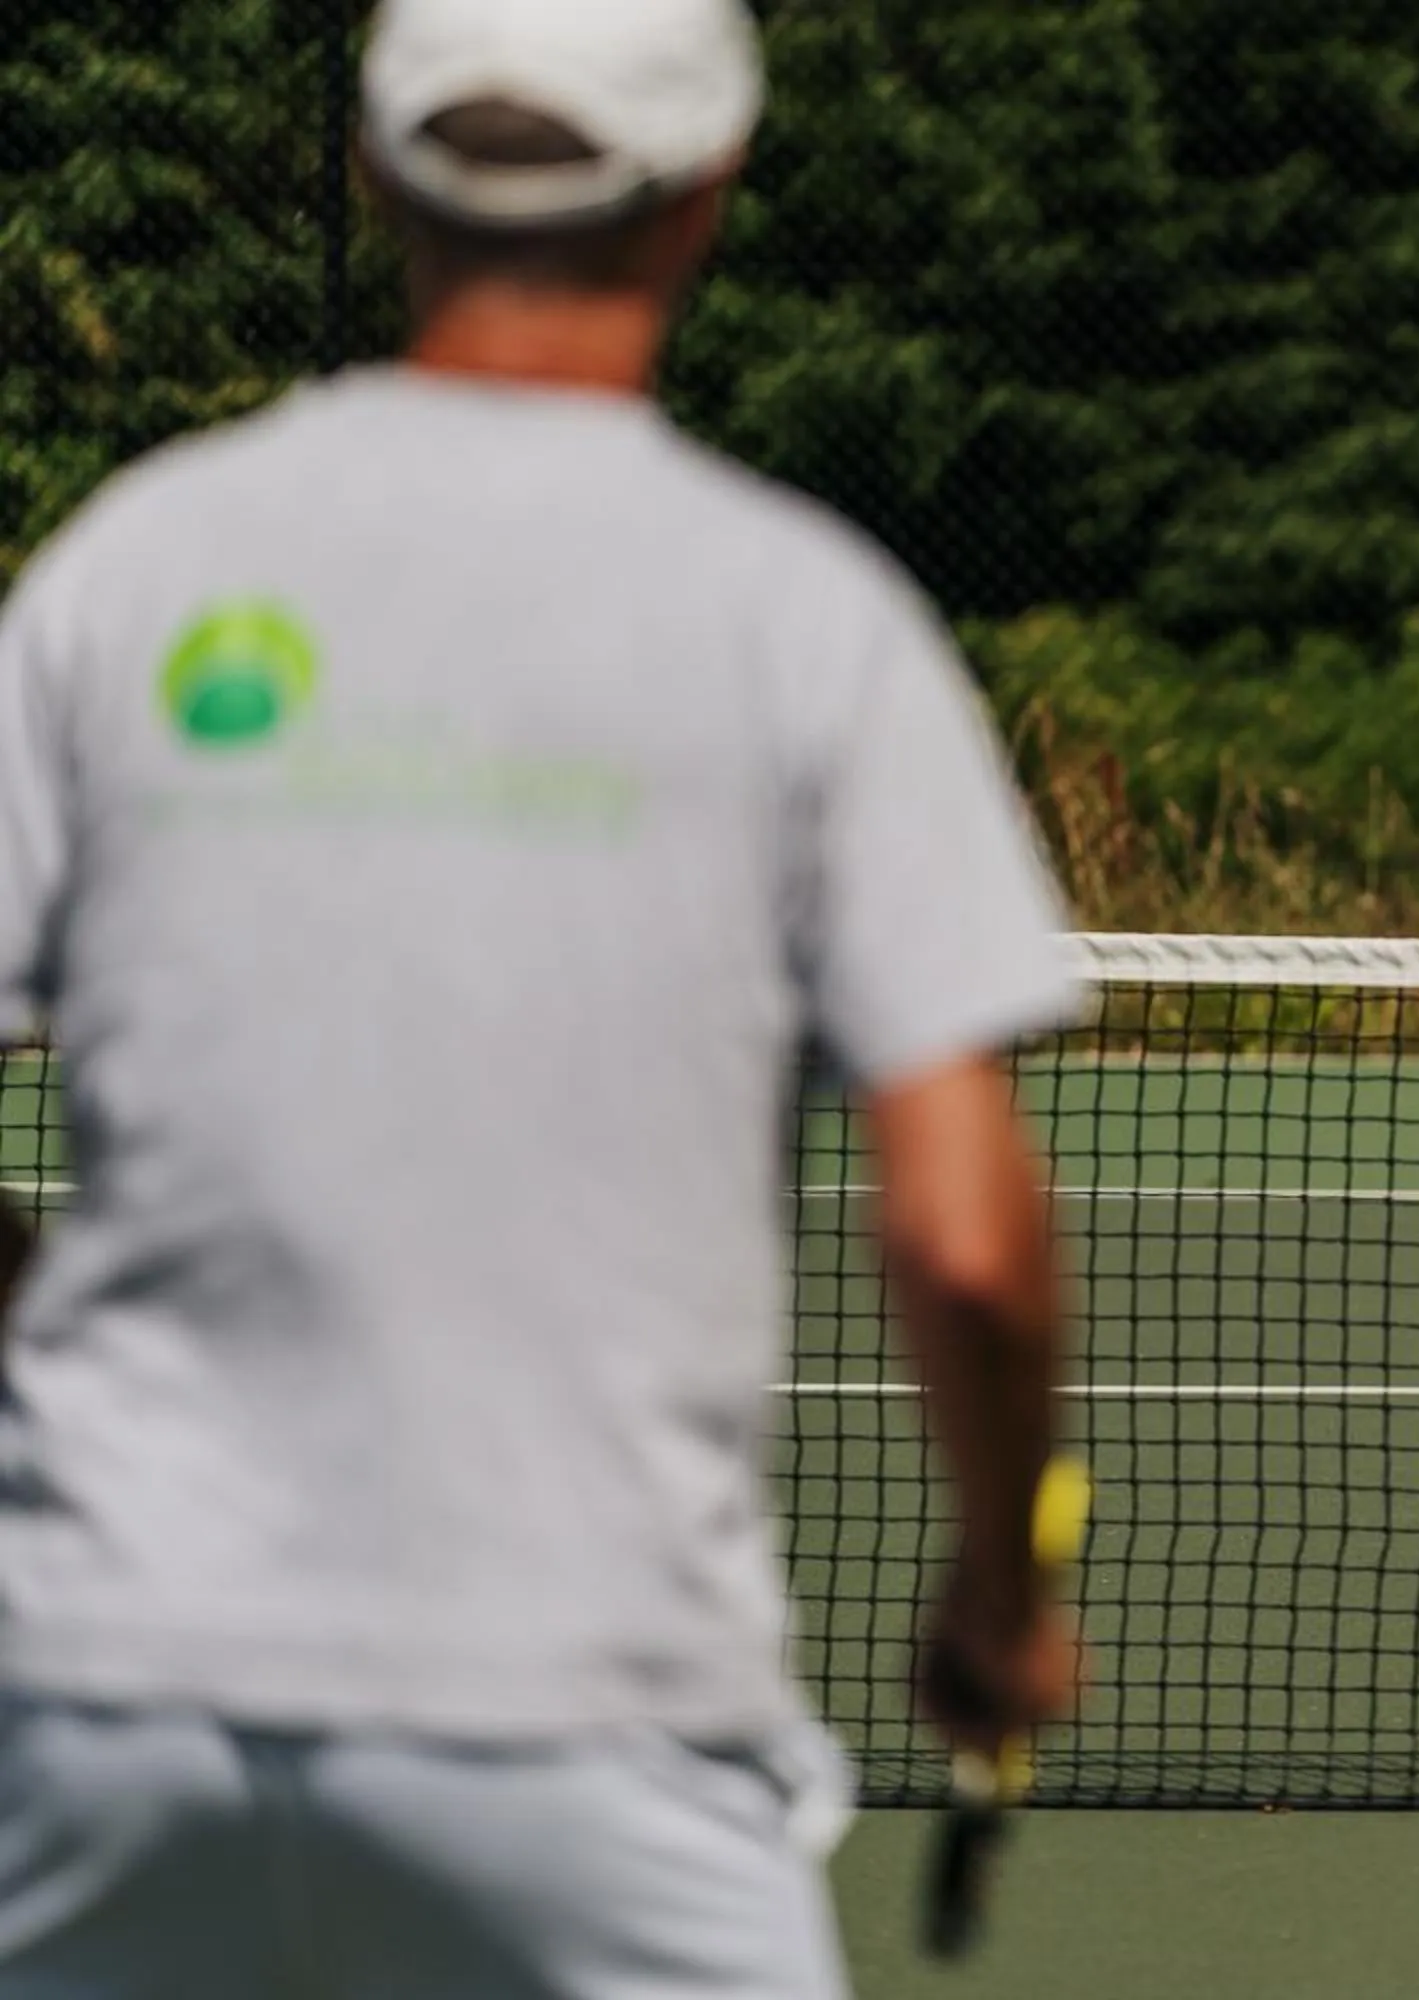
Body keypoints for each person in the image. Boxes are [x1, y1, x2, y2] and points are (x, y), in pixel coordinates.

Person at [0, 2, 1080, 1992]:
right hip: (592, 1714)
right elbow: (966, 1231)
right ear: (706, 195)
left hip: (100, 1698)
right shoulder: (811, 621)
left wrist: (38, 1340)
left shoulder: (118, 570)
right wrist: (1004, 1596)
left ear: (374, 173)